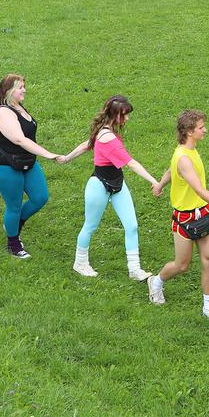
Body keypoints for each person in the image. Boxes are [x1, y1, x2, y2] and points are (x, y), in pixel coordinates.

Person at [147, 110, 209, 320]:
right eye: (201, 127)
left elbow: (172, 171)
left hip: (203, 214)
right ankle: (156, 282)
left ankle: (208, 307)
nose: (205, 130)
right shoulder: (183, 158)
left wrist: (160, 184)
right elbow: (199, 189)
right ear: (190, 132)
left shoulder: (189, 151)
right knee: (182, 264)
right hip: (185, 218)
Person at [59, 94, 164, 280]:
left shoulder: (104, 130)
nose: (127, 119)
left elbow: (87, 144)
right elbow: (132, 164)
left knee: (131, 225)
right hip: (99, 185)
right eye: (124, 115)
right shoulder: (109, 138)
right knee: (90, 226)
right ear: (115, 115)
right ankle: (80, 263)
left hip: (118, 184)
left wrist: (67, 157)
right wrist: (154, 181)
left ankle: (134, 269)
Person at [0, 73, 61, 260]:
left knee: (40, 197)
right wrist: (47, 153)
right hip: (6, 164)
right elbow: (18, 138)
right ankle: (13, 244)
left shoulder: (19, 107)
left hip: (27, 161)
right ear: (9, 91)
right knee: (13, 206)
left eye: (23, 86)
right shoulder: (3, 112)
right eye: (20, 87)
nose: (24, 90)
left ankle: (16, 223)